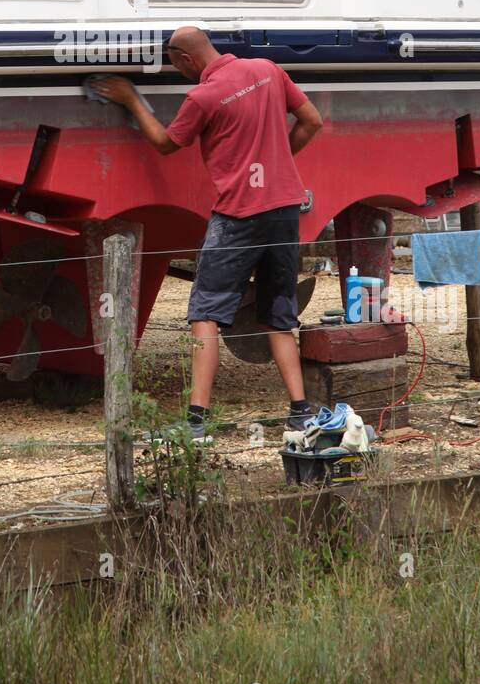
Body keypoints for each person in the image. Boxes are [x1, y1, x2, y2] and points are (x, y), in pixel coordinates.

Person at [93, 27, 323, 438]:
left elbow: (166, 143)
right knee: (278, 314)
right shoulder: (267, 69)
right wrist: (278, 161)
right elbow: (312, 121)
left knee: (205, 313)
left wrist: (130, 99)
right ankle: (300, 412)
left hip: (238, 216)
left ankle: (196, 422)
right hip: (285, 209)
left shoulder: (202, 97)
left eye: (173, 63)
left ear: (185, 60)